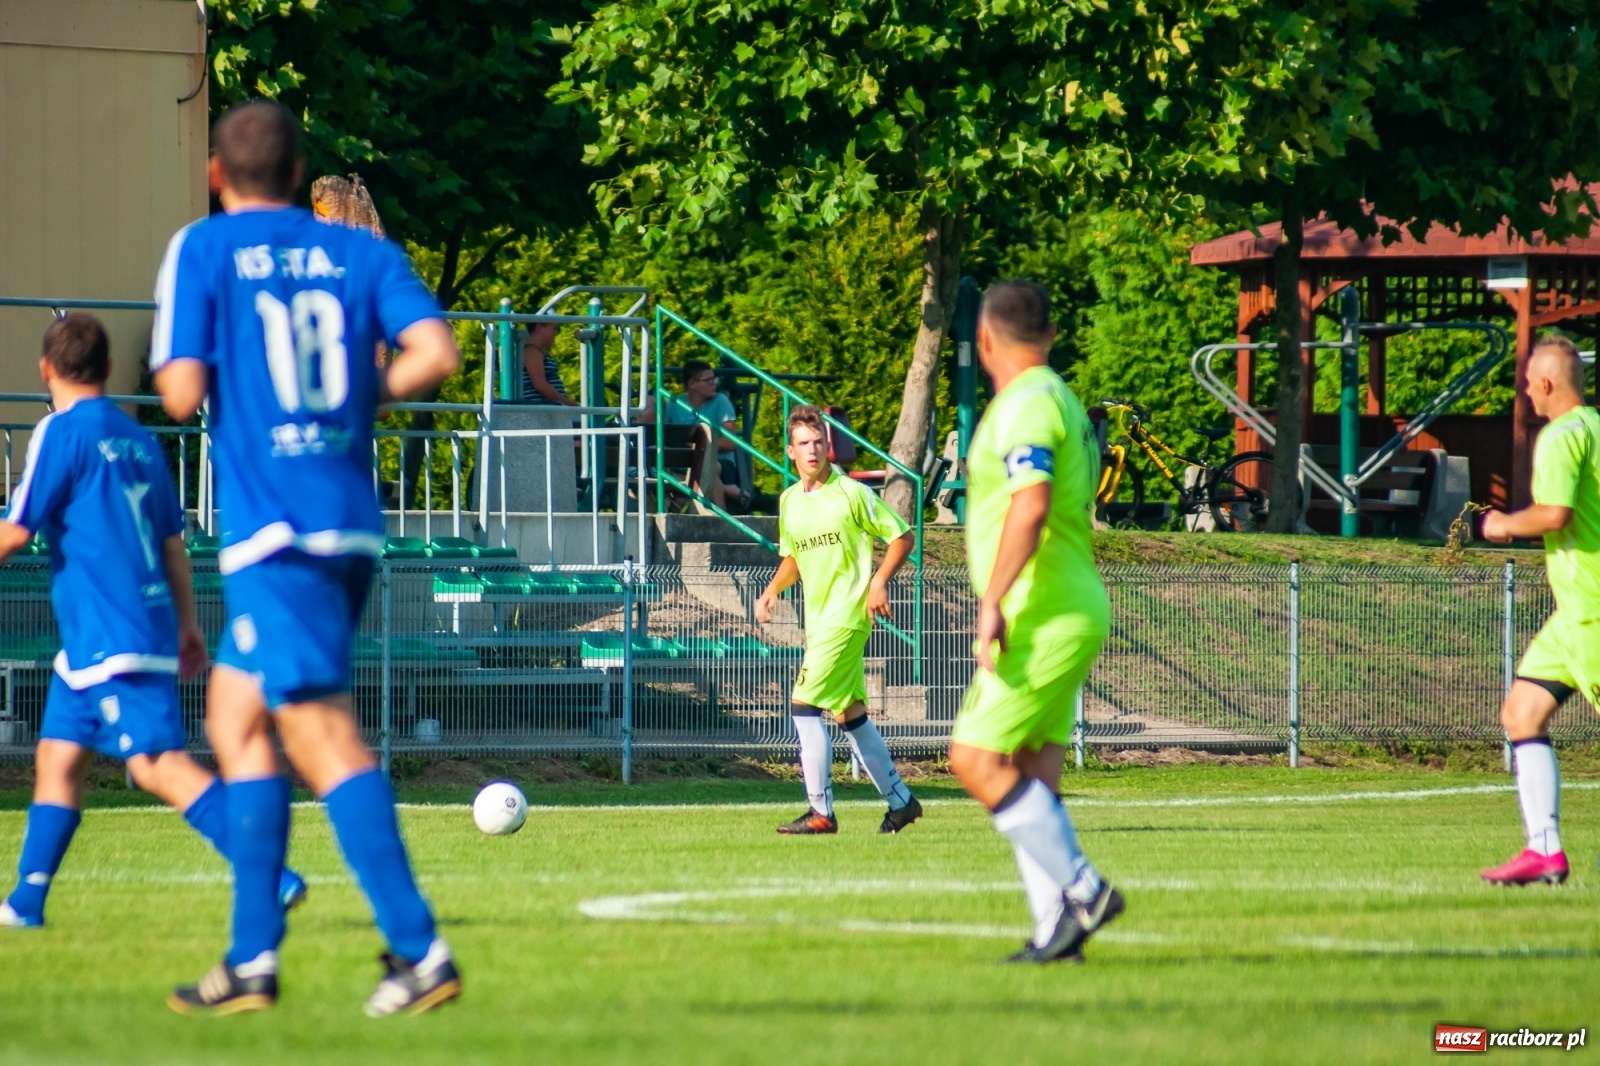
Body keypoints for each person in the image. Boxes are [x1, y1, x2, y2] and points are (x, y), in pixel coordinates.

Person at [150, 100, 463, 1017]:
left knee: (318, 734)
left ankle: (420, 948)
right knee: (236, 720)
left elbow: (176, 394)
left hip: (275, 532)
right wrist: (354, 399)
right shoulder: (359, 251)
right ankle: (252, 958)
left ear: (218, 174)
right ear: (297, 174)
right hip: (348, 522)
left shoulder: (202, 251)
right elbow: (434, 352)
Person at [0, 315, 307, 930]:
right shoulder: (139, 440)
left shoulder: (60, 434)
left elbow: (17, 527)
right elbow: (172, 544)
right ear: (109, 370)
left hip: (112, 635)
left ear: (45, 370)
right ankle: (25, 904)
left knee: (156, 765)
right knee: (58, 759)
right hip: (112, 634)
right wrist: (188, 625)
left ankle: (270, 875)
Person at [946, 280, 1122, 964]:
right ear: (1049, 336)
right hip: (1073, 603)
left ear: (986, 340)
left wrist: (991, 600)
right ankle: (1058, 930)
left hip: (1038, 611)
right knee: (1030, 775)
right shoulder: (1061, 397)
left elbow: (1031, 502)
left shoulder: (1022, 403)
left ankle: (1085, 888)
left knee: (974, 758)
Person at [754, 405, 921, 834]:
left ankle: (821, 811)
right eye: (805, 444)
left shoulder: (852, 493)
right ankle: (901, 802)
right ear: (791, 452)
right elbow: (793, 555)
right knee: (850, 713)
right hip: (819, 622)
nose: (813, 450)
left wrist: (879, 580)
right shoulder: (790, 500)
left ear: (829, 447)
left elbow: (903, 535)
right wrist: (773, 589)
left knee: (803, 704)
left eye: (819, 442)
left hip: (846, 617)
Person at [1480, 335, 1600, 886]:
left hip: (1592, 611)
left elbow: (1554, 514)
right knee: (1521, 714)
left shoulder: (1560, 436)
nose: (1526, 390)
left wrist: (1504, 523)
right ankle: (1544, 848)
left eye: (1529, 381)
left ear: (1546, 384)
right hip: (1569, 615)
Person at [644, 360, 743, 509]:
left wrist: (699, 447)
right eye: (708, 380)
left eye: (714, 379)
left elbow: (730, 442)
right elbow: (667, 437)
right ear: (692, 384)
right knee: (655, 459)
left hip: (720, 462)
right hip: (685, 463)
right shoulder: (675, 405)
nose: (714, 383)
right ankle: (725, 491)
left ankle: (721, 519)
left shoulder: (721, 401)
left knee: (705, 467)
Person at [519, 321, 579, 408]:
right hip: (539, 410)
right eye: (553, 329)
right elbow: (540, 385)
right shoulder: (531, 351)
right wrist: (567, 403)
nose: (555, 333)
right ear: (539, 327)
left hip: (547, 409)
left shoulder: (538, 351)